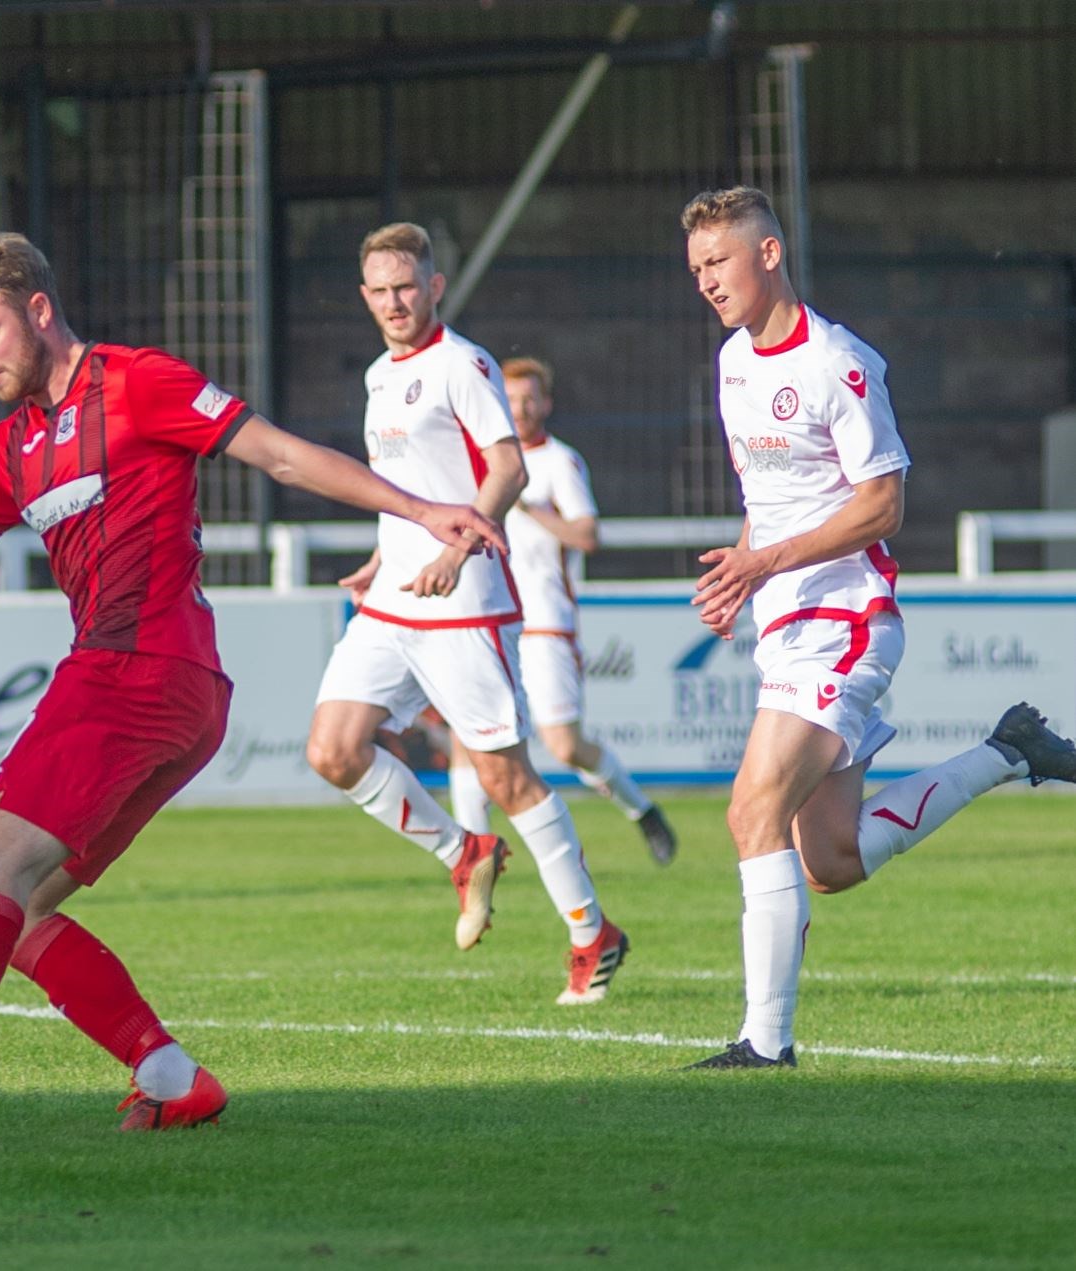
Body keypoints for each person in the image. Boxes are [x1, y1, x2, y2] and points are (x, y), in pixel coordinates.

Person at [0, 229, 505, 1144]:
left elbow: (277, 454)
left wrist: (427, 509)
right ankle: (172, 1076)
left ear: (38, 310)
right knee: (19, 912)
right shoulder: (11, 447)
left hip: (137, 670)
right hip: (169, 690)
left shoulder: (136, 381)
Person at [678, 186, 1076, 1069]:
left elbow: (883, 505)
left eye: (719, 261)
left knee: (752, 809)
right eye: (697, 267)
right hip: (786, 618)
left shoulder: (839, 362)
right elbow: (768, 504)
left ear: (769, 253)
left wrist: (764, 565)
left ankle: (764, 1044)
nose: (707, 281)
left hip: (846, 615)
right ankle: (1009, 750)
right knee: (830, 861)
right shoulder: (734, 362)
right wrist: (744, 572)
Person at [303, 223, 630, 1006]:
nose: (393, 302)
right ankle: (464, 849)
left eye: (406, 287)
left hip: (464, 603)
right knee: (333, 750)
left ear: (435, 286)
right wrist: (385, 557)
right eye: (379, 291)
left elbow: (508, 466)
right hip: (392, 604)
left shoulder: (463, 363)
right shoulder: (382, 373)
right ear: (364, 296)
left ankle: (593, 933)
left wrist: (460, 545)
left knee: (506, 775)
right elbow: (409, 482)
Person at [447, 356, 678, 866]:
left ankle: (642, 811)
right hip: (487, 616)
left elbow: (586, 536)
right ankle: (475, 858)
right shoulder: (477, 460)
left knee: (565, 746)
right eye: (511, 399)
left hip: (545, 622)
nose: (521, 408)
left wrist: (527, 506)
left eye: (530, 398)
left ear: (546, 403)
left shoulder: (558, 461)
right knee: (469, 732)